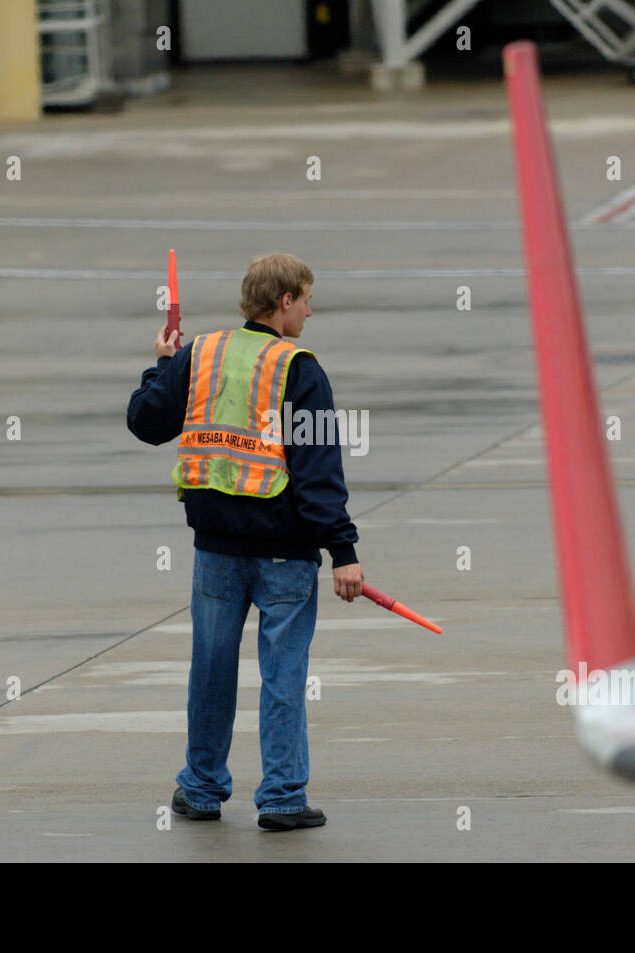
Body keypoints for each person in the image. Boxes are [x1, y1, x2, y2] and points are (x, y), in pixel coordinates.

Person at [126, 252, 364, 831]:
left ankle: (202, 789)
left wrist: (161, 366)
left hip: (216, 551)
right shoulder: (300, 369)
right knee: (283, 674)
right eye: (306, 298)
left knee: (210, 670)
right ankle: (282, 798)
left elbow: (146, 422)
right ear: (284, 301)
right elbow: (318, 469)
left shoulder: (201, 353)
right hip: (285, 551)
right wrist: (344, 552)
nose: (310, 308)